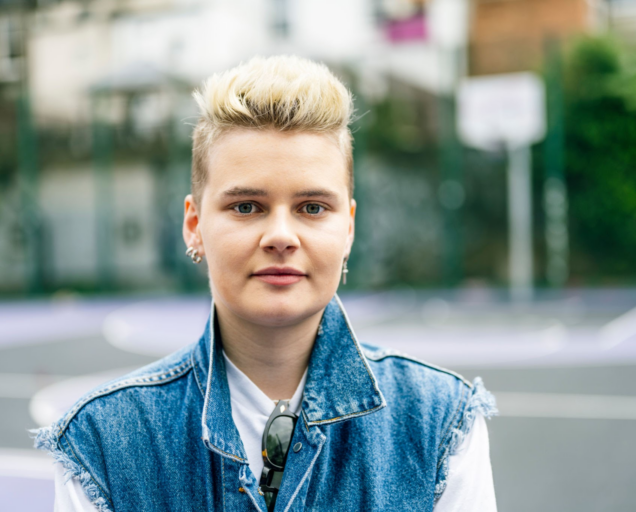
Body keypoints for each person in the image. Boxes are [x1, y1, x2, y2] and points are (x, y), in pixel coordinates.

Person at [34, 55, 498, 512]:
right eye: (247, 207)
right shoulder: (102, 440)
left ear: (349, 228)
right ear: (194, 225)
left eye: (312, 207)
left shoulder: (438, 421)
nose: (280, 236)